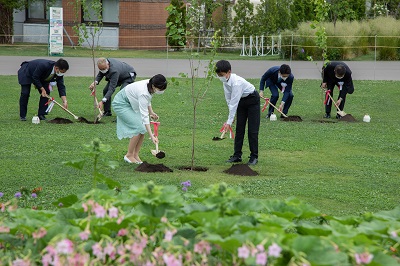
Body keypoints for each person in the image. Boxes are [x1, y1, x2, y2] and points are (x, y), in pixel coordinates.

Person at [112, 74, 167, 164]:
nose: (161, 91)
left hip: (129, 102)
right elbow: (144, 116)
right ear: (154, 86)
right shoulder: (143, 93)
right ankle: (129, 155)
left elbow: (147, 100)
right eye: (160, 89)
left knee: (142, 128)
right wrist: (152, 136)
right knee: (139, 128)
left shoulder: (150, 84)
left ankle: (135, 155)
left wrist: (151, 112)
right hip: (120, 104)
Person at [215, 60, 260, 166]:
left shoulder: (236, 83)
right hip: (241, 102)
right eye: (218, 75)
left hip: (252, 100)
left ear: (228, 72)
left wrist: (229, 121)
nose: (220, 77)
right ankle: (237, 155)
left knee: (252, 131)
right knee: (239, 129)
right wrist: (231, 116)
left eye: (221, 75)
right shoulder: (225, 82)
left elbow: (234, 102)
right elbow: (229, 100)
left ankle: (254, 157)